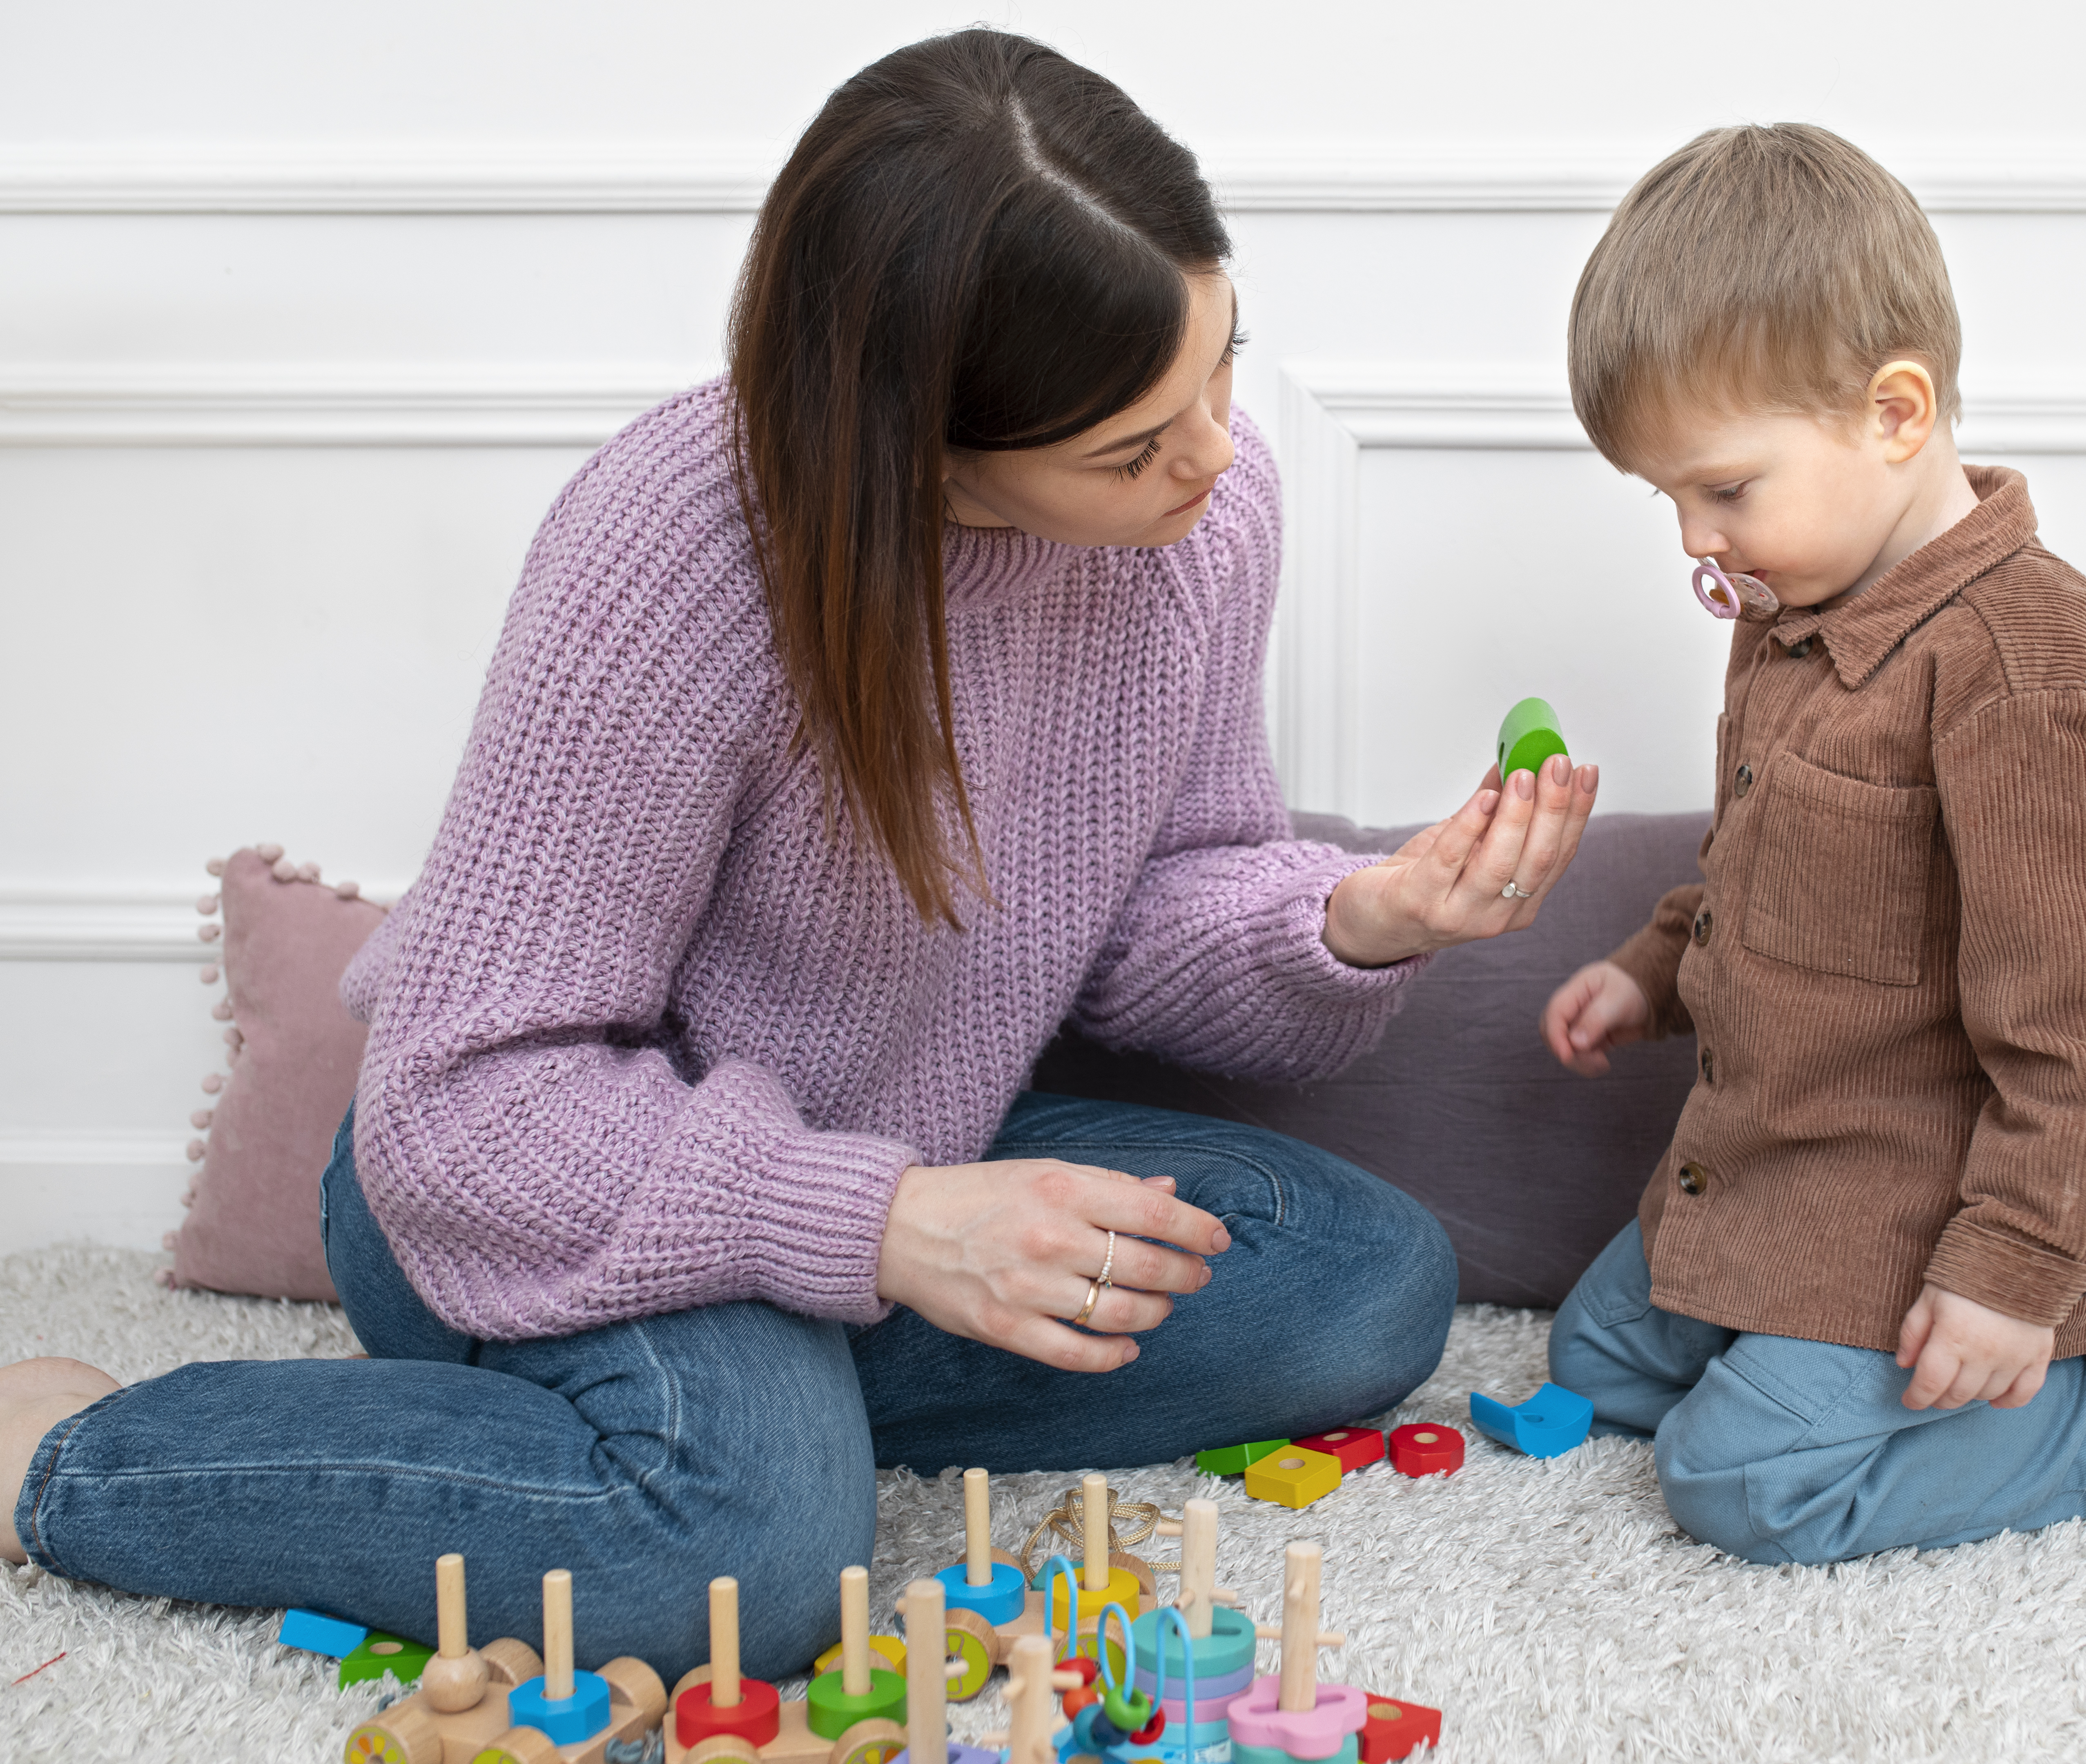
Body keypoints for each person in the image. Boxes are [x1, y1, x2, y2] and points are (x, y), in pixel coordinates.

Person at [0, 31, 1600, 1673]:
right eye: (1129, 447)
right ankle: (76, 1452)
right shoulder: (675, 557)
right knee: (751, 1568)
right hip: (543, 1182)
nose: (1209, 456)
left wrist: (1361, 915)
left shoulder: (1205, 522)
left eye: (1222, 368)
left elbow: (1142, 911)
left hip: (880, 1150)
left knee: (1364, 1284)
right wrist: (890, 1228)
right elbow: (465, 1102)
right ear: (918, 442)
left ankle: (711, 1421)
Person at [1538, 123, 2086, 1567]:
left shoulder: (2030, 677)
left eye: (1726, 489)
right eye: (1666, 497)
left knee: (1740, 1483)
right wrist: (1651, 969)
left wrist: (2013, 1277)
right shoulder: (1789, 612)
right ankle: (1798, 1344)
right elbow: (1765, 853)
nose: (1696, 536)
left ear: (1896, 412)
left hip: (1925, 1210)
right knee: (1594, 1366)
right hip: (1776, 1160)